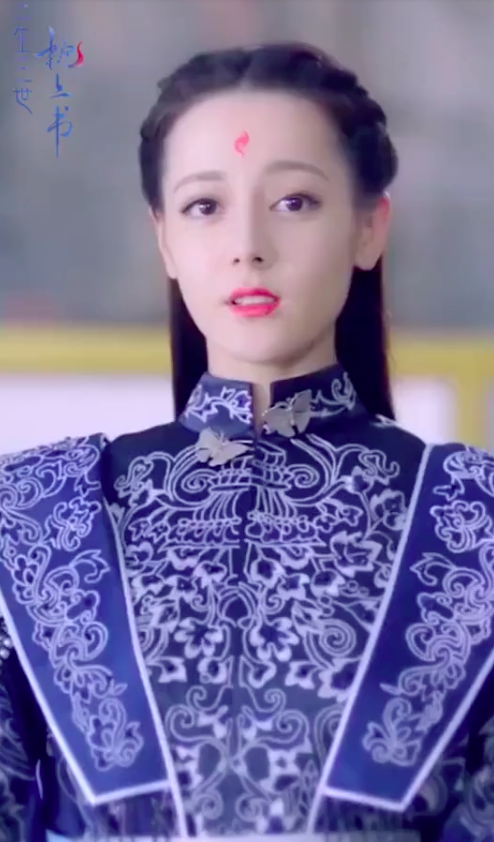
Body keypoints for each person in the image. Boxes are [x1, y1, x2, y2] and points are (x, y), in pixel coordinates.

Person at [0, 42, 493, 842]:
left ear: (370, 227)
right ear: (164, 239)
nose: (248, 246)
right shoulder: (37, 517)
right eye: (205, 206)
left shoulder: (475, 521)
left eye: (294, 201)